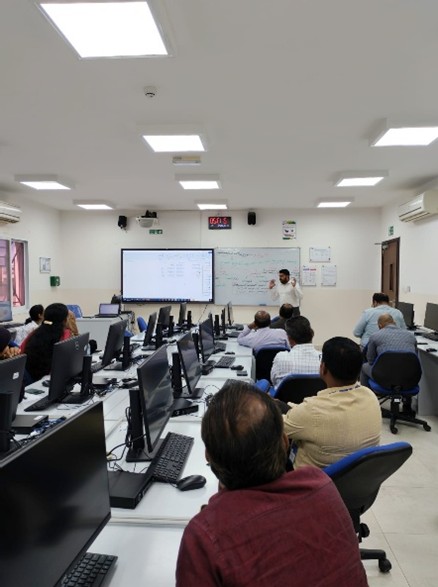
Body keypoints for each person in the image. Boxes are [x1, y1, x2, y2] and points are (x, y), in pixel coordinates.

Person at [176, 381, 368, 587]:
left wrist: (216, 513)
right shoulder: (320, 483)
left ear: (208, 457)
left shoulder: (205, 536)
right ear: (285, 442)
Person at [282, 336, 381, 469]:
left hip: (310, 479)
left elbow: (275, 427)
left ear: (323, 368)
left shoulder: (312, 411)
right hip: (355, 477)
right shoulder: (370, 396)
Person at [360, 313, 418, 387]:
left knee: (364, 367)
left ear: (380, 325)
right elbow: (415, 358)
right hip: (409, 378)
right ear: (394, 323)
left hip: (384, 377)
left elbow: (371, 360)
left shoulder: (375, 336)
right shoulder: (411, 336)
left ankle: (366, 394)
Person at [20, 303, 71, 383]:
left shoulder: (34, 333)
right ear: (65, 320)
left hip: (29, 378)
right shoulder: (64, 335)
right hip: (48, 381)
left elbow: (21, 353)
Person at [270, 316, 321, 388]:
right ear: (312, 334)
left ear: (289, 339)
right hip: (315, 395)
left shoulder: (280, 358)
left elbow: (274, 381)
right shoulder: (324, 360)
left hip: (286, 395)